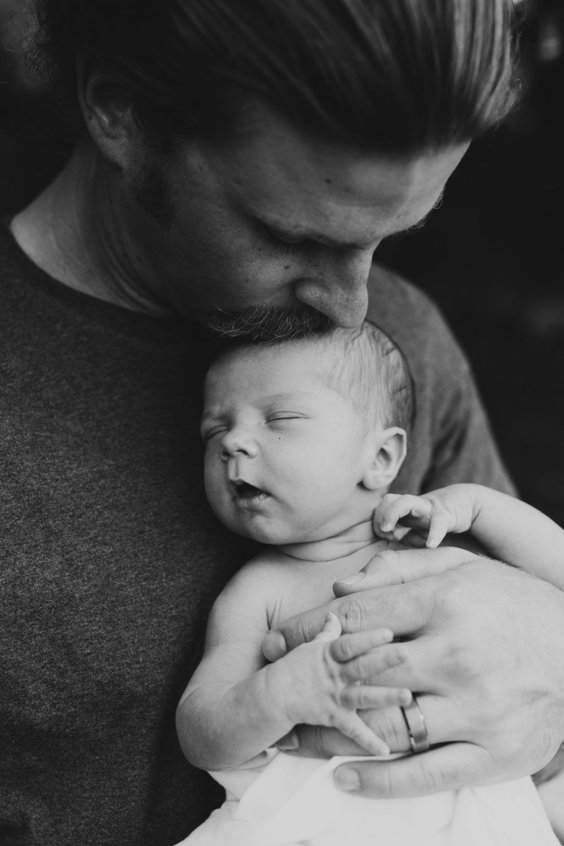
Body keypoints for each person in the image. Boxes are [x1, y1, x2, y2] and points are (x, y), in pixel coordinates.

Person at [3, 1, 564, 844]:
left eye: (392, 237)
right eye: (286, 234)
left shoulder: (400, 348)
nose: (352, 304)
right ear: (117, 107)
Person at [175, 324, 561, 845]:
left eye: (280, 419)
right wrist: (277, 694)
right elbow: (202, 731)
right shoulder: (259, 592)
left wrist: (481, 506)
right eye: (213, 431)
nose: (233, 444)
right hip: (313, 821)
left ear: (380, 458)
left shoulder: (434, 540)